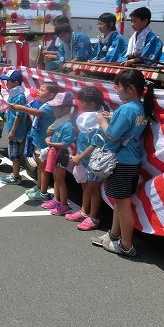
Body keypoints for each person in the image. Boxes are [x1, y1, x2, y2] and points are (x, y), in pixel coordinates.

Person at [91, 70, 154, 257]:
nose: (116, 90)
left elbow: (111, 135)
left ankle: (126, 245)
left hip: (120, 162)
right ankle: (114, 235)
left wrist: (102, 120)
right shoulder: (140, 107)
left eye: (118, 86)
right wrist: (112, 119)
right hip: (131, 161)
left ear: (131, 88)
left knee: (123, 204)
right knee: (120, 202)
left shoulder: (126, 109)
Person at [11, 81, 59, 201]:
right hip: (38, 140)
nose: (38, 91)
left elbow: (38, 113)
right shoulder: (42, 103)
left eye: (42, 90)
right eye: (39, 89)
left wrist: (22, 108)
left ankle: (43, 192)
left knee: (43, 168)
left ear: (51, 95)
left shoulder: (50, 106)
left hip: (43, 142)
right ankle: (39, 187)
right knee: (39, 166)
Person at [67, 86, 108, 230]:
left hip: (94, 160)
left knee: (93, 188)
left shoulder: (99, 118)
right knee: (85, 186)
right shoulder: (87, 116)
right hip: (83, 158)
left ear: (91, 104)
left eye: (82, 101)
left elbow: (96, 143)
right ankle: (84, 212)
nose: (80, 104)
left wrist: (80, 156)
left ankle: (93, 217)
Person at [40, 92, 76, 216]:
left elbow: (65, 144)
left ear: (65, 108)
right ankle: (57, 199)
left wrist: (50, 143)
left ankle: (63, 204)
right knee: (56, 178)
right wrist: (50, 141)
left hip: (62, 154)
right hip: (55, 153)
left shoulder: (67, 125)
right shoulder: (59, 121)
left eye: (56, 107)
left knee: (60, 179)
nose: (53, 109)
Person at [0, 70, 28, 184]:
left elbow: (19, 115)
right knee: (14, 154)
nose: (6, 83)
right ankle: (15, 173)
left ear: (16, 82)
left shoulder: (19, 96)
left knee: (14, 155)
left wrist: (12, 131)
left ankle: (16, 177)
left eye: (8, 81)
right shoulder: (14, 93)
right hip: (14, 129)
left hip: (16, 132)